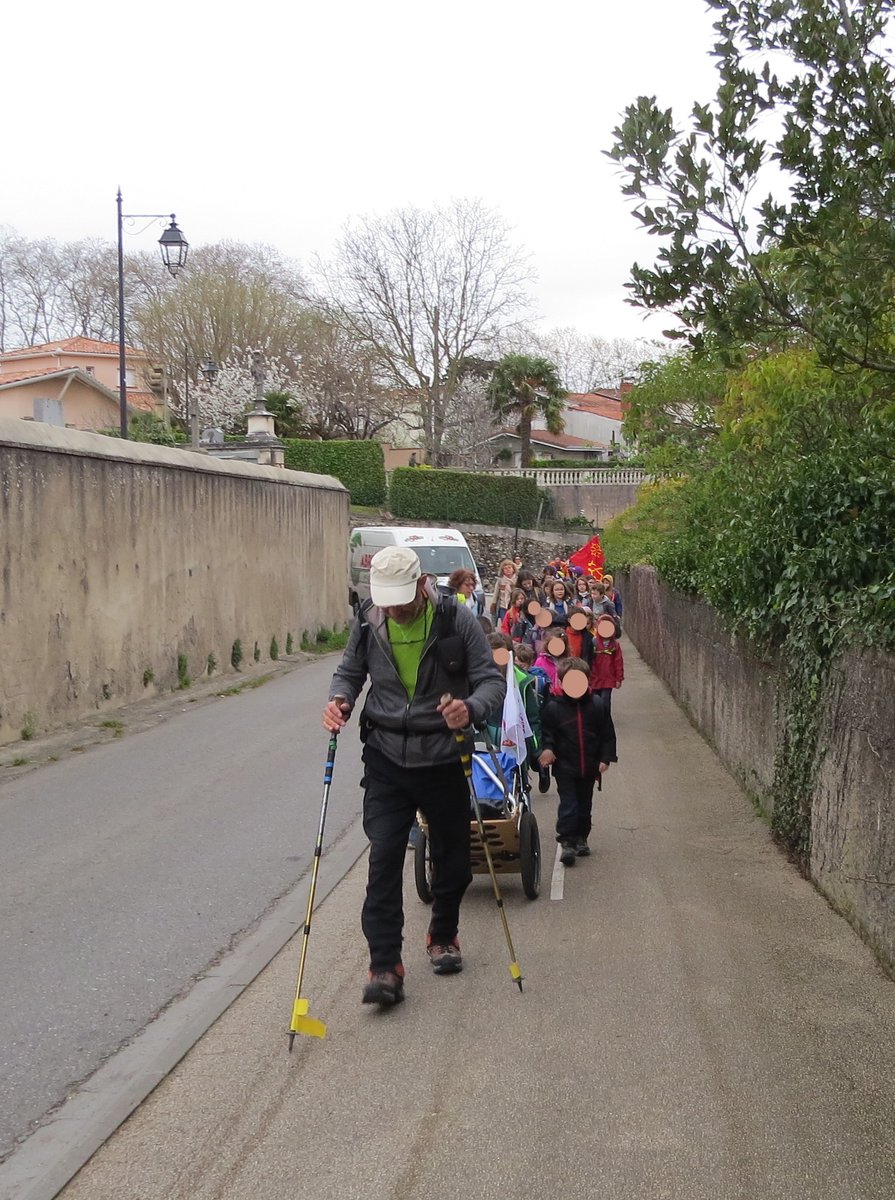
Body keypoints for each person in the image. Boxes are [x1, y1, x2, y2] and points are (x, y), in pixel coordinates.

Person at [323, 545, 505, 1007]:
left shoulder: (455, 619)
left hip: (443, 754)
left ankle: (443, 933)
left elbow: (491, 681)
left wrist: (471, 708)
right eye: (387, 602)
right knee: (383, 856)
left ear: (421, 584)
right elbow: (348, 673)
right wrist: (341, 700)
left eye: (401, 600)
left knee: (453, 859)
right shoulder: (369, 619)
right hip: (385, 756)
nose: (394, 610)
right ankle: (385, 965)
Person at [539, 657, 617, 865]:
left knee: (584, 806)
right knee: (569, 805)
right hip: (565, 767)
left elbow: (607, 734)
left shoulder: (597, 705)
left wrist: (606, 758)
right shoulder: (553, 708)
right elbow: (547, 734)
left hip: (589, 766)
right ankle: (567, 842)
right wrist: (547, 749)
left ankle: (582, 837)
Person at [588, 615, 624, 709]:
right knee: (595, 700)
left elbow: (618, 662)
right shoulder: (593, 642)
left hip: (609, 678)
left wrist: (618, 678)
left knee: (605, 700)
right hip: (595, 677)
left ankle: (606, 720)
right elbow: (589, 659)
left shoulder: (615, 645)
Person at [490, 558, 517, 626]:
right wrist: (494, 604)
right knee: (505, 624)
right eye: (505, 568)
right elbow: (496, 594)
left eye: (509, 567)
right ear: (503, 571)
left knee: (514, 624)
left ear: (513, 569)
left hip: (514, 606)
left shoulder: (517, 580)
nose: (508, 569)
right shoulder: (500, 581)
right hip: (503, 606)